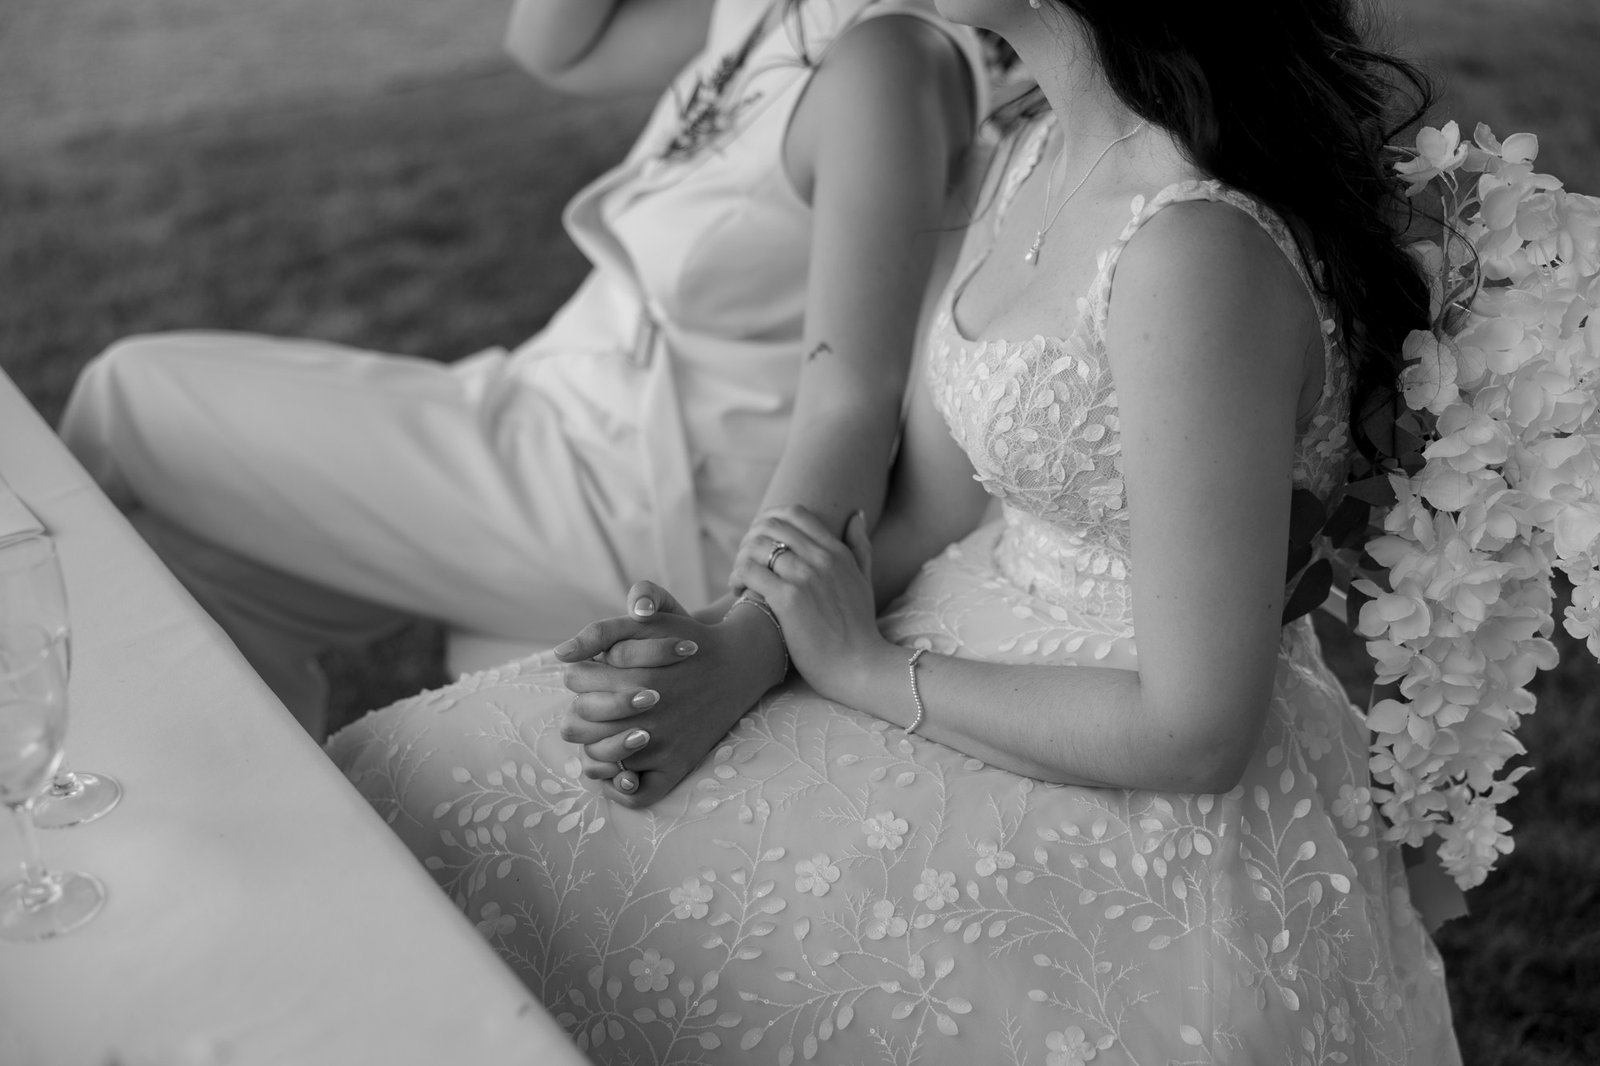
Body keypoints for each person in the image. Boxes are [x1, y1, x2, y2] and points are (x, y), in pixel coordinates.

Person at [328, 0, 1464, 1061]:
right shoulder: (1028, 151)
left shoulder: (1195, 252)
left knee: (500, 857)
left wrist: (870, 670)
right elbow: (931, 506)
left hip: (1123, 768)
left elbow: (1195, 730)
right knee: (408, 778)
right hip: (953, 627)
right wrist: (740, 646)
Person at [56, 0, 985, 738]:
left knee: (132, 402)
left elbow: (852, 394)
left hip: (641, 487)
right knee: (202, 557)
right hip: (546, 408)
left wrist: (752, 622)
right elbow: (553, 46)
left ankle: (61, 759)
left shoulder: (886, 59)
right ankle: (243, 829)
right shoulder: (772, 12)